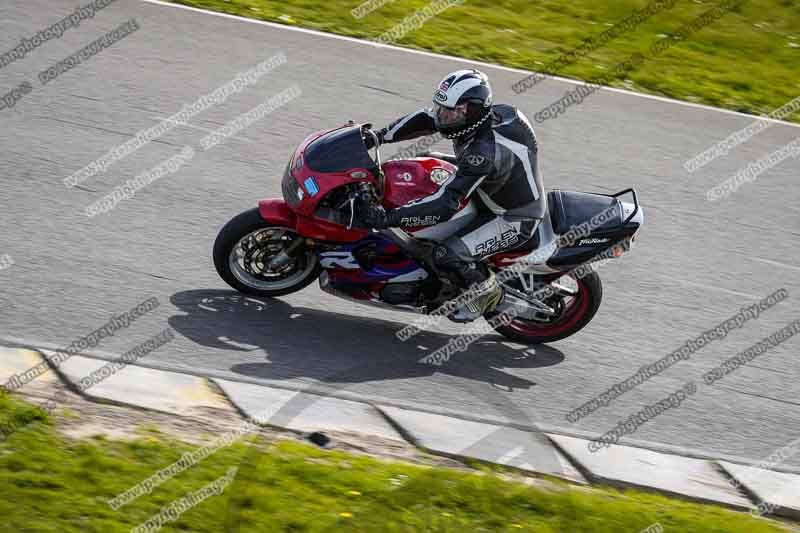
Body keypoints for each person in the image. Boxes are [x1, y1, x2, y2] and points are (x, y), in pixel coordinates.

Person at [355, 69, 546, 322]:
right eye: (441, 107)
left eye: (451, 112)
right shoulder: (496, 114)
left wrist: (387, 218)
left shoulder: (483, 152)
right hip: (490, 186)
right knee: (425, 162)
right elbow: (426, 118)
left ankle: (489, 294)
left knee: (447, 255)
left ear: (474, 111)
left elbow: (445, 205)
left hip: (514, 216)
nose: (442, 117)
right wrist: (378, 136)